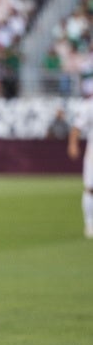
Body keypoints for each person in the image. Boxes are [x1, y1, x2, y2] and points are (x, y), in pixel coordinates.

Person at [67, 95, 93, 238]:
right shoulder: (89, 105)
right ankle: (90, 223)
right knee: (90, 188)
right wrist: (73, 144)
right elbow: (77, 127)